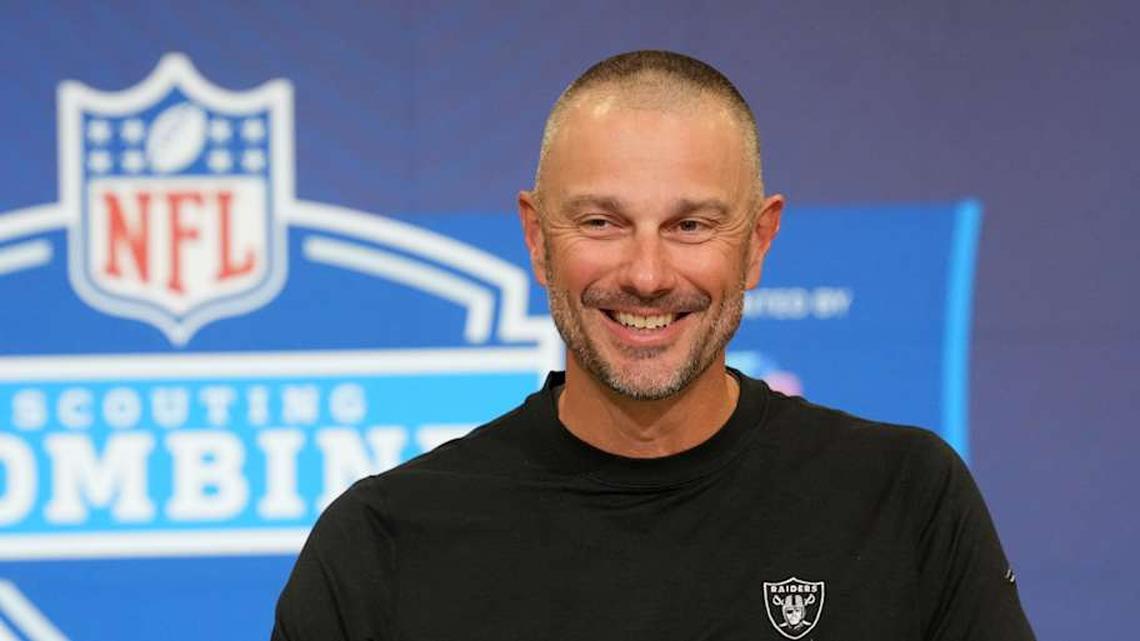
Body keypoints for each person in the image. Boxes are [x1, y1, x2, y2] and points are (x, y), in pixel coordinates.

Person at [271, 50, 1035, 641]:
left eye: (691, 225)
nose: (645, 273)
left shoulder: (903, 501)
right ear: (538, 240)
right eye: (601, 222)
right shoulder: (384, 542)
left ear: (759, 241)